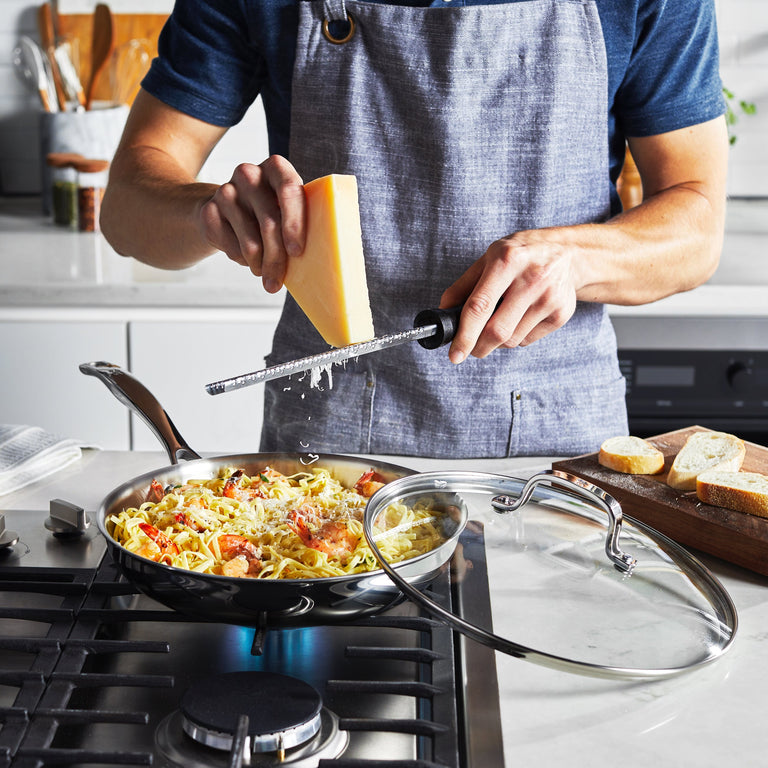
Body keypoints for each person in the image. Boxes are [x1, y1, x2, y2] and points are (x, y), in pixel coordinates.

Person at [100, 0, 728, 459]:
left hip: (562, 448)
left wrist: (577, 259)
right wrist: (210, 213)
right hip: (328, 447)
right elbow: (128, 204)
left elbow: (697, 223)